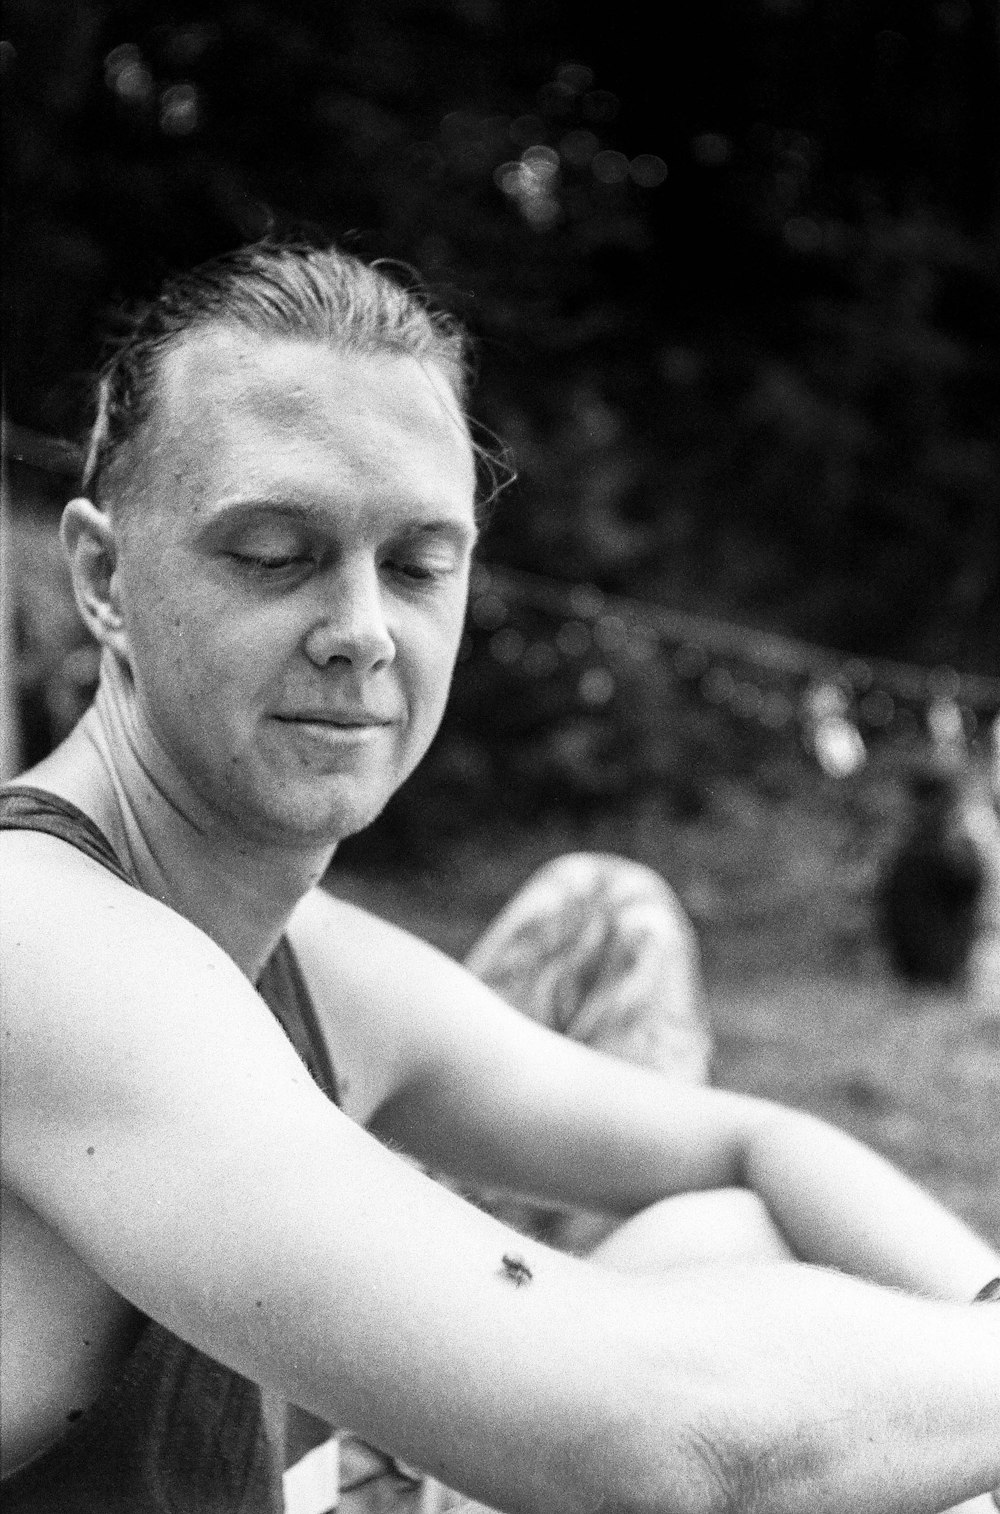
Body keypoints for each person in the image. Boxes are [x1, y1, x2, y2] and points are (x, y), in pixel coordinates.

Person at [1, 239, 998, 1514]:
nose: (362, 630)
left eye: (418, 563)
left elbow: (753, 1140)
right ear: (102, 579)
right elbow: (652, 1442)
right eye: (272, 552)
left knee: (727, 1238)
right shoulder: (39, 939)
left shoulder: (307, 961)